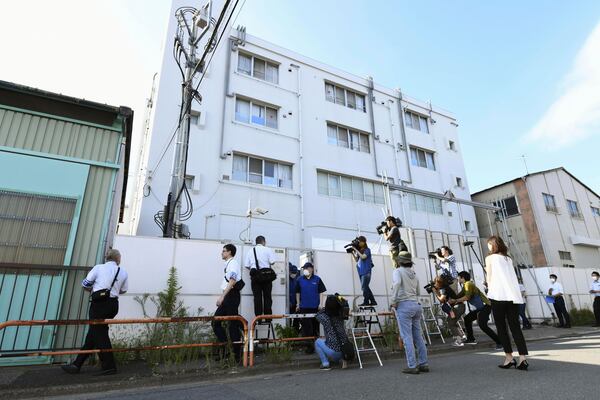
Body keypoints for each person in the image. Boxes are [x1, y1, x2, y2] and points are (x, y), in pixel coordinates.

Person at [61, 249, 128, 375]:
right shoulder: (123, 271)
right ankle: (77, 364)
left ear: (107, 258)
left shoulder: (98, 268)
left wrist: (94, 290)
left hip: (99, 305)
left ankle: (109, 366)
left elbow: (85, 284)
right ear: (118, 259)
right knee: (93, 334)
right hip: (113, 305)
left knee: (100, 334)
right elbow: (124, 290)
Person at [485, 236, 529, 371]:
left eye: (489, 245)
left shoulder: (490, 258)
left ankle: (509, 358)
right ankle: (522, 358)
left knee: (502, 328)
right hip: (513, 296)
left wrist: (486, 282)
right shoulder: (508, 259)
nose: (488, 247)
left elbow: (490, 278)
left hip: (498, 296)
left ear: (493, 245)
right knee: (515, 327)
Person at [390, 251, 429, 374]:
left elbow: (396, 284)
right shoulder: (414, 274)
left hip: (404, 306)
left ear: (399, 261)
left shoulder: (397, 271)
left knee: (407, 337)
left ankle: (412, 366)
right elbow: (418, 292)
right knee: (418, 336)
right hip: (415, 305)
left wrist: (393, 300)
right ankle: (424, 364)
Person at [449, 271, 502, 349]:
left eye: (458, 277)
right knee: (467, 319)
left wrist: (455, 301)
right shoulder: (465, 285)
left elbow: (466, 297)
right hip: (479, 308)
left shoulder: (468, 284)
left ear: (462, 278)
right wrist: (451, 297)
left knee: (482, 325)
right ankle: (470, 339)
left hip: (484, 307)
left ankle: (500, 342)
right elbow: (459, 296)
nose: (457, 278)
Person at [212, 244, 244, 362]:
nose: (222, 253)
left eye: (224, 251)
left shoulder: (233, 264)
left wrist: (222, 297)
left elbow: (232, 280)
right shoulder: (228, 264)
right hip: (228, 297)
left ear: (229, 252)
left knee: (232, 325)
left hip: (231, 296)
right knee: (216, 322)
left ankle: (236, 355)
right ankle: (226, 350)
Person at [296, 262, 327, 353]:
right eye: (304, 268)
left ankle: (317, 347)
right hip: (304, 307)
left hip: (315, 307)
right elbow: (297, 293)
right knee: (306, 328)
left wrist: (321, 304)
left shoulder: (317, 279)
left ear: (311, 269)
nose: (305, 270)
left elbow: (321, 292)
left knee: (315, 327)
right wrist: (298, 304)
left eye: (306, 268)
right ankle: (309, 348)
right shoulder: (300, 279)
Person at [314, 295, 349, 370]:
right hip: (345, 350)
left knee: (317, 342)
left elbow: (317, 315)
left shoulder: (325, 318)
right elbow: (345, 307)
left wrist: (325, 308)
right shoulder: (341, 316)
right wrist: (340, 303)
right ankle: (343, 360)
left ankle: (325, 363)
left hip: (334, 352)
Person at [244, 235, 276, 317]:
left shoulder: (251, 251)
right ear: (264, 242)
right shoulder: (267, 249)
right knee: (267, 297)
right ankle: (268, 317)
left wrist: (254, 268)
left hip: (255, 277)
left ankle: (258, 317)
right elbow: (272, 262)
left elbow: (246, 265)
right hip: (266, 277)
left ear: (256, 242)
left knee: (257, 297)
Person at [431, 275, 465, 347]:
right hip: (459, 307)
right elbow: (442, 298)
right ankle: (461, 336)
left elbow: (441, 299)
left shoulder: (444, 289)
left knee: (451, 322)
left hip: (457, 307)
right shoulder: (446, 288)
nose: (435, 285)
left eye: (435, 283)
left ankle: (459, 341)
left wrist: (435, 292)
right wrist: (437, 292)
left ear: (438, 283)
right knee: (452, 322)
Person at [350, 236, 376, 306]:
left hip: (366, 271)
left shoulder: (367, 250)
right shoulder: (360, 251)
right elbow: (357, 260)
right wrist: (352, 252)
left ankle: (366, 301)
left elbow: (363, 257)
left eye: (359, 241)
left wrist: (355, 249)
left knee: (364, 287)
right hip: (361, 272)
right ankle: (373, 301)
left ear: (363, 242)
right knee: (366, 287)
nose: (358, 243)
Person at [288, 263, 301, 332]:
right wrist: (289, 302)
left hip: (296, 303)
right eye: (293, 273)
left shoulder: (297, 279)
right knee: (288, 318)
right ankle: (289, 331)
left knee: (297, 318)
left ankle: (296, 331)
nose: (294, 274)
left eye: (295, 273)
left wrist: (298, 303)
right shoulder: (287, 279)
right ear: (289, 272)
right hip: (289, 302)